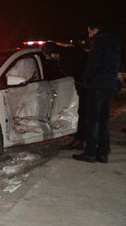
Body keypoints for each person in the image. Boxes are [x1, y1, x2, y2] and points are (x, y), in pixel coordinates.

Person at [73, 21, 122, 163]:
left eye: (90, 32)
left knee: (92, 120)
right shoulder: (115, 42)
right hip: (110, 84)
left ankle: (89, 152)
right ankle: (103, 153)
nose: (89, 35)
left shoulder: (99, 41)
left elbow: (93, 63)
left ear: (95, 30)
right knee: (104, 120)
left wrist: (87, 78)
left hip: (98, 84)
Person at [41, 41, 88, 150]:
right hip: (84, 87)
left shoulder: (71, 57)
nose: (47, 59)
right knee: (84, 113)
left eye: (47, 56)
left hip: (89, 87)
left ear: (53, 53)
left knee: (87, 114)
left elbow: (73, 71)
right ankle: (80, 140)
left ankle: (84, 142)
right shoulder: (66, 56)